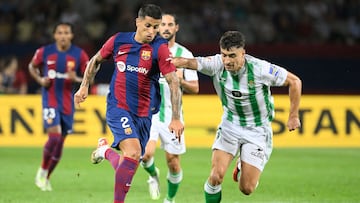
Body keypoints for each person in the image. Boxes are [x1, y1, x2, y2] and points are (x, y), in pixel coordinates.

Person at [171, 31, 302, 203]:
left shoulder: (260, 69)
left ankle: (242, 165)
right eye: (224, 55)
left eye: (232, 56)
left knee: (246, 188)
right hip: (230, 125)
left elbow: (295, 81)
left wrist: (293, 115)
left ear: (243, 53)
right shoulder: (217, 63)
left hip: (257, 130)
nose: (227, 61)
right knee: (216, 176)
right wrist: (161, 62)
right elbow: (188, 62)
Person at [73, 4, 184, 203]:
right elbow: (95, 60)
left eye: (156, 27)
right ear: (138, 22)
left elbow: (173, 81)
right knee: (133, 153)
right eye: (148, 25)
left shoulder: (160, 47)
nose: (152, 31)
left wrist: (176, 118)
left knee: (129, 164)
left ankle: (105, 151)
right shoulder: (119, 40)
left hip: (144, 114)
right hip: (118, 107)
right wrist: (83, 86)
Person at [141, 13, 199, 203]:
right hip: (149, 113)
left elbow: (195, 88)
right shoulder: (147, 50)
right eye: (162, 24)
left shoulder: (185, 55)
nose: (165, 28)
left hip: (172, 116)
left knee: (173, 163)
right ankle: (153, 174)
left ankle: (170, 199)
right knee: (145, 154)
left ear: (176, 28)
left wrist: (179, 78)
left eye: (170, 24)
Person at [29, 22, 89, 191]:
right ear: (55, 35)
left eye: (66, 32)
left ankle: (47, 177)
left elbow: (88, 76)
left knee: (60, 143)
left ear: (71, 35)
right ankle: (41, 170)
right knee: (54, 137)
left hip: (68, 103)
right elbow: (31, 66)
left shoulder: (79, 54)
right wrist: (40, 80)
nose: (63, 35)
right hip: (50, 99)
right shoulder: (45, 52)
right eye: (60, 32)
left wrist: (76, 78)